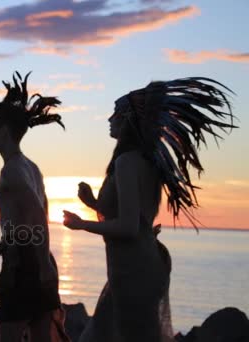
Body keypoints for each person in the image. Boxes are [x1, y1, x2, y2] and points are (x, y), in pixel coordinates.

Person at [62, 77, 237, 342]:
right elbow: (136, 217)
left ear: (129, 119)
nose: (109, 118)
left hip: (134, 271)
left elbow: (129, 227)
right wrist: (93, 205)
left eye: (116, 113)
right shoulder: (145, 161)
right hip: (134, 268)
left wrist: (81, 224)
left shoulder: (125, 162)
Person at [0, 71, 70, 342]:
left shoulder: (12, 172)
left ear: (5, 132)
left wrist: (41, 265)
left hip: (24, 264)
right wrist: (7, 242)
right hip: (35, 259)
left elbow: (37, 217)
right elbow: (33, 218)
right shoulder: (31, 167)